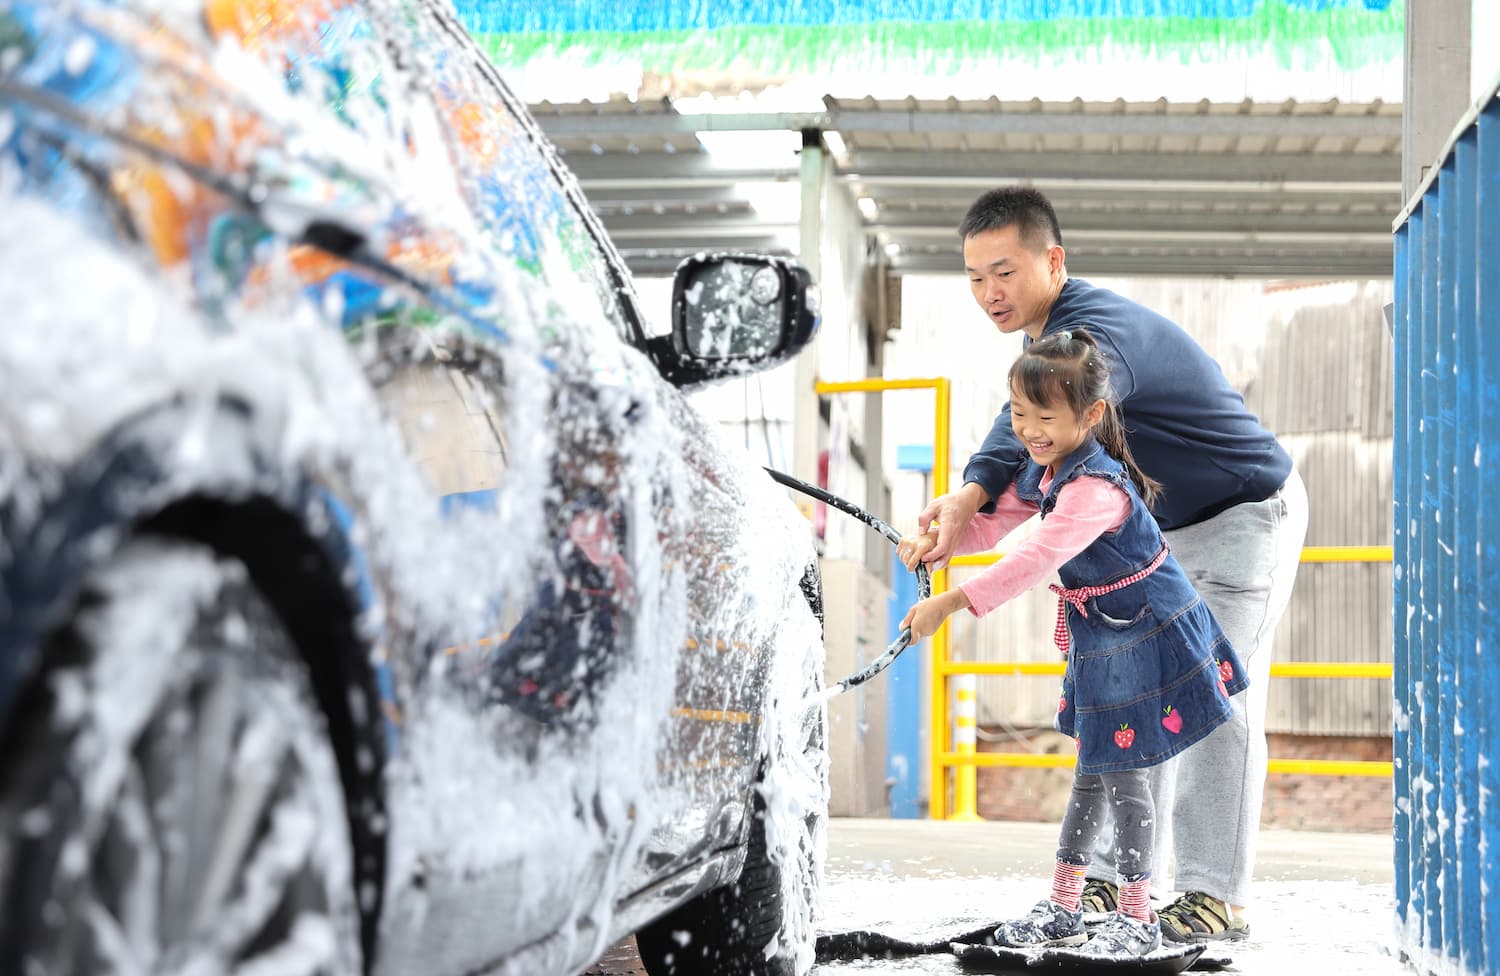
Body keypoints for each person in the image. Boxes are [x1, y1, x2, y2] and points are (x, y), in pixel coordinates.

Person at [915, 186, 1308, 943]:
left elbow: (1038, 418)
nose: (989, 293)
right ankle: (1112, 885)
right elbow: (1036, 452)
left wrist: (971, 493)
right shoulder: (1051, 351)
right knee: (1136, 693)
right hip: (1157, 532)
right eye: (973, 277)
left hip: (1242, 514)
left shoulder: (1096, 334)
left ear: (1052, 261)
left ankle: (1210, 897)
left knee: (1205, 689)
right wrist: (957, 521)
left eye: (1004, 271)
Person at [898, 329, 1248, 959]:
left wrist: (951, 602)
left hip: (1144, 637)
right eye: (1018, 414)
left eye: (1044, 416)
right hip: (1104, 640)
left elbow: (1036, 556)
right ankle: (1066, 902)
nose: (1029, 430)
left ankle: (1136, 914)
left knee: (1123, 779)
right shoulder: (1050, 469)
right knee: (1093, 773)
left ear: (1089, 416)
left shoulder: (1094, 490)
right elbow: (998, 521)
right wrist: (941, 542)